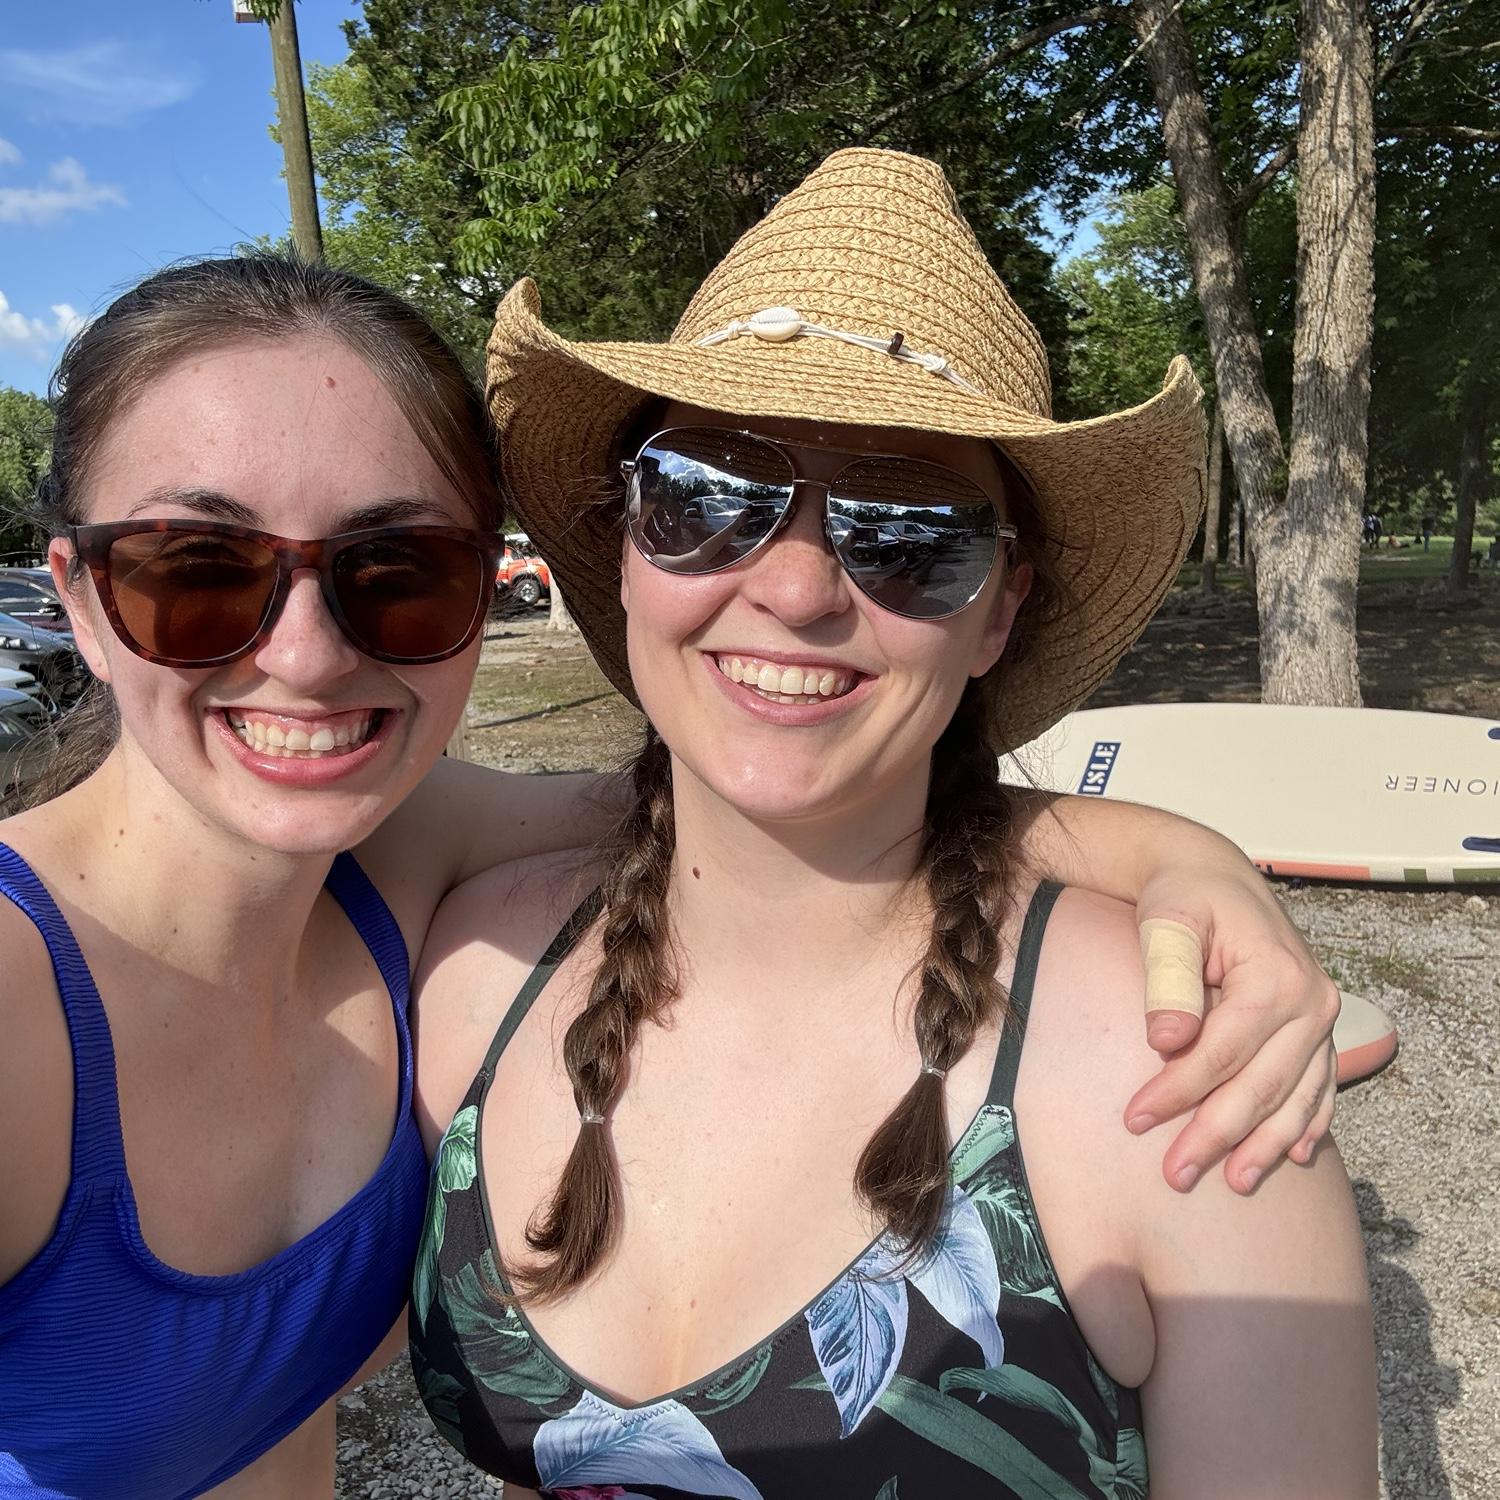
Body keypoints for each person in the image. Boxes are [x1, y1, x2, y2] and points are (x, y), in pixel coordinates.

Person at [0, 254, 1335, 1499]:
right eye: (196, 568)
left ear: (1002, 605)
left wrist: (1188, 856)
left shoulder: (403, 871)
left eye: (910, 531)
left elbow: (756, 811)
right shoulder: (442, 955)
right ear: (77, 600)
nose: (304, 656)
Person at [411, 151, 1377, 1497]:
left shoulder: (1182, 1092)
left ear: (999, 613)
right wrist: (1181, 847)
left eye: (910, 532)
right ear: (624, 543)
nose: (797, 589)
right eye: (705, 496)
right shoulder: (471, 973)